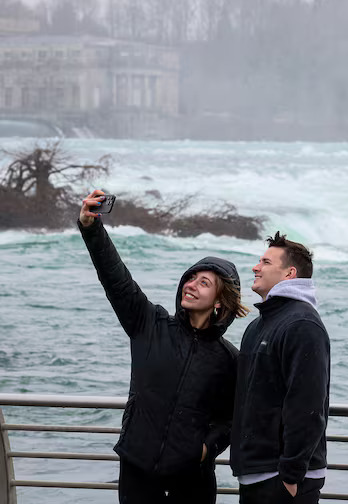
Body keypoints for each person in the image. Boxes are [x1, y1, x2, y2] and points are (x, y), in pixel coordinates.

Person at [78, 189, 248, 504]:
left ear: (220, 303)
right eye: (191, 277)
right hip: (137, 471)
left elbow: (232, 419)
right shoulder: (150, 324)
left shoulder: (229, 359)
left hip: (193, 481)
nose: (191, 284)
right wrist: (92, 229)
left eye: (204, 283)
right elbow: (117, 279)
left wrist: (206, 448)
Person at [230, 232, 330, 504]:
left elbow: (307, 405)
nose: (255, 267)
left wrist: (291, 476)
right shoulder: (260, 324)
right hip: (256, 473)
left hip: (283, 479)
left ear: (289, 274)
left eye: (265, 262)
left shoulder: (301, 324)